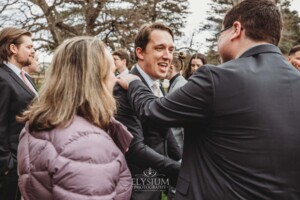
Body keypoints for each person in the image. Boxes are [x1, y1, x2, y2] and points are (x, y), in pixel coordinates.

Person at [117, 0, 300, 199]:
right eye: (161, 48)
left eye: (220, 32)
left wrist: (134, 83)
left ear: (235, 29)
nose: (168, 56)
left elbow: (153, 112)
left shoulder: (216, 78)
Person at [17, 36, 133, 200]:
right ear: (94, 80)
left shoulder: (43, 123)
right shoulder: (87, 145)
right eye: (111, 72)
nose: (115, 78)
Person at [114, 22, 181, 200]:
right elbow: (134, 148)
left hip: (155, 184)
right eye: (160, 48)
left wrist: (181, 158)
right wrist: (178, 170)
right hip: (135, 188)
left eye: (171, 50)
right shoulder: (122, 88)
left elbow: (164, 132)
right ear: (140, 52)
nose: (168, 56)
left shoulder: (157, 85)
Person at [0, 27, 37, 200]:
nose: (32, 51)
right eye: (28, 47)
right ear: (13, 49)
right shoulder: (2, 78)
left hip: (28, 161)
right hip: (11, 169)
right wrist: (7, 164)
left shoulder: (26, 77)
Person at [165, 51, 187, 150]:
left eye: (165, 66)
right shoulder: (175, 84)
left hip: (179, 146)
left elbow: (184, 124)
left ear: (171, 68)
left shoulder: (181, 86)